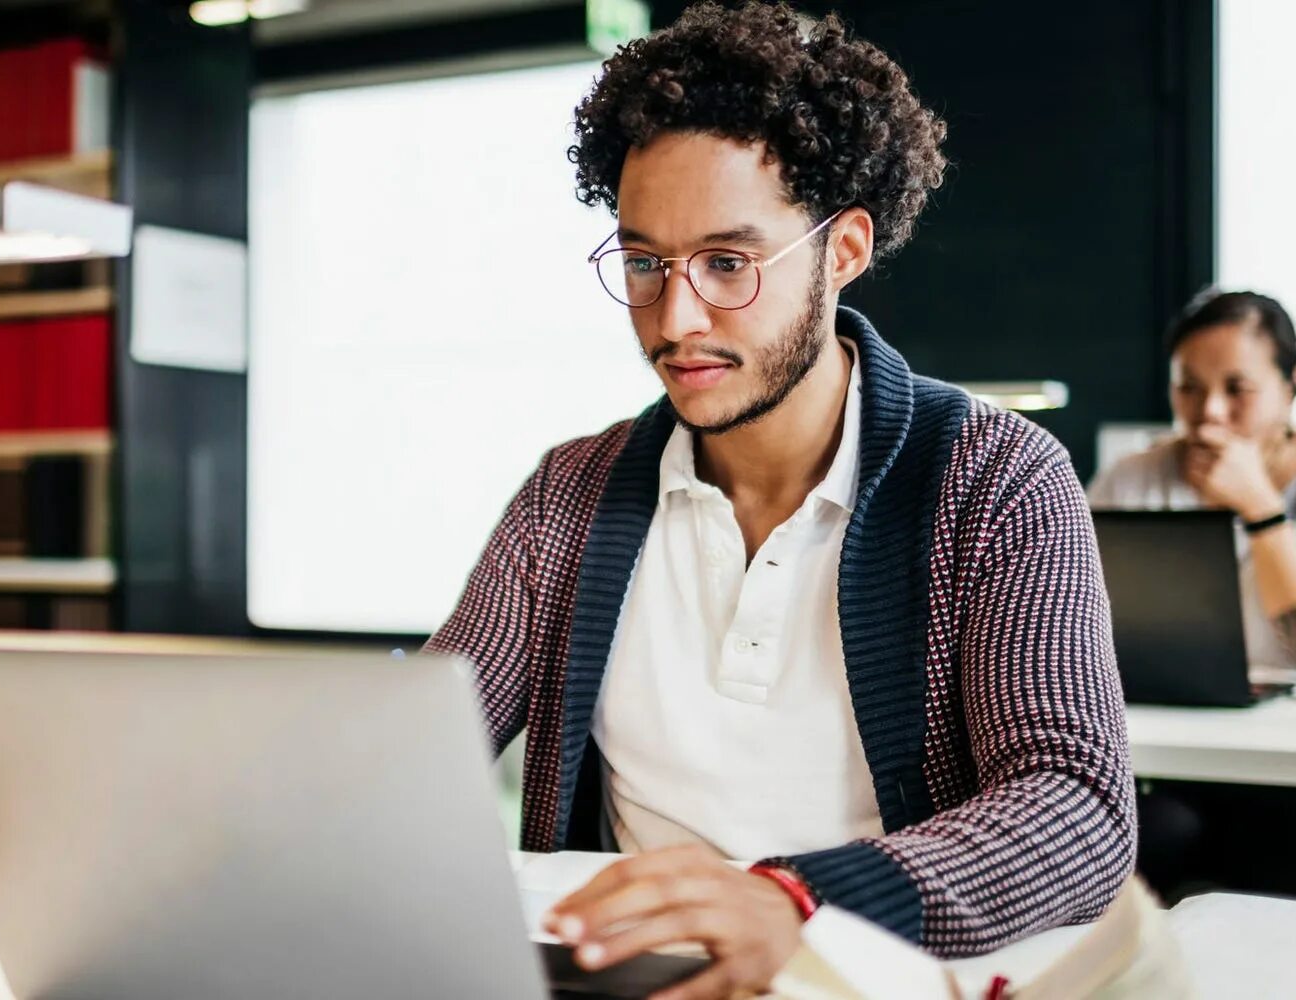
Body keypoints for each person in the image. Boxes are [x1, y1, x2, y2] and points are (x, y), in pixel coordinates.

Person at [422, 5, 1135, 997]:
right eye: (642, 263)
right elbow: (421, 740)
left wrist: (796, 902)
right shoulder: (568, 493)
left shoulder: (994, 477)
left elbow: (1075, 811)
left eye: (727, 263)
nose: (675, 320)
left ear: (841, 250)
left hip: (863, 974)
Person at [1087, 289, 1296, 903]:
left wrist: (1259, 507)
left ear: (1291, 382)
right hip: (1186, 757)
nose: (1209, 412)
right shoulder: (1131, 478)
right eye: (1187, 387)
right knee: (1125, 849)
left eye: (1238, 389)